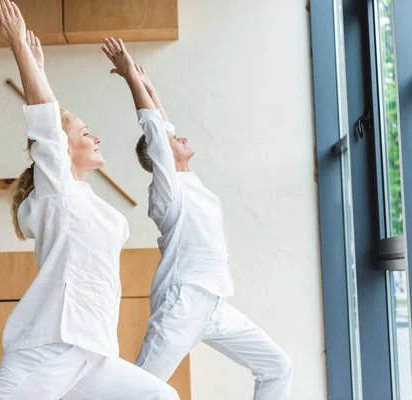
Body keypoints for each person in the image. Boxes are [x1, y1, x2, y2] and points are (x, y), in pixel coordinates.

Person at [0, 2, 180, 399]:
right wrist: (20, 48)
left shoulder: (84, 198)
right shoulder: (57, 190)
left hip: (94, 350)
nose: (96, 137)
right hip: (49, 345)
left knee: (161, 397)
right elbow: (46, 121)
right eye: (86, 133)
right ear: (63, 150)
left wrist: (38, 65)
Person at [102, 36, 293, 400]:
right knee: (139, 390)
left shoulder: (190, 182)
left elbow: (164, 128)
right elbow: (157, 133)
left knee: (278, 366)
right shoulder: (168, 192)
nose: (180, 136)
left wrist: (151, 88)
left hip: (214, 302)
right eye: (172, 141)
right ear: (160, 160)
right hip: (183, 302)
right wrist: (130, 79)